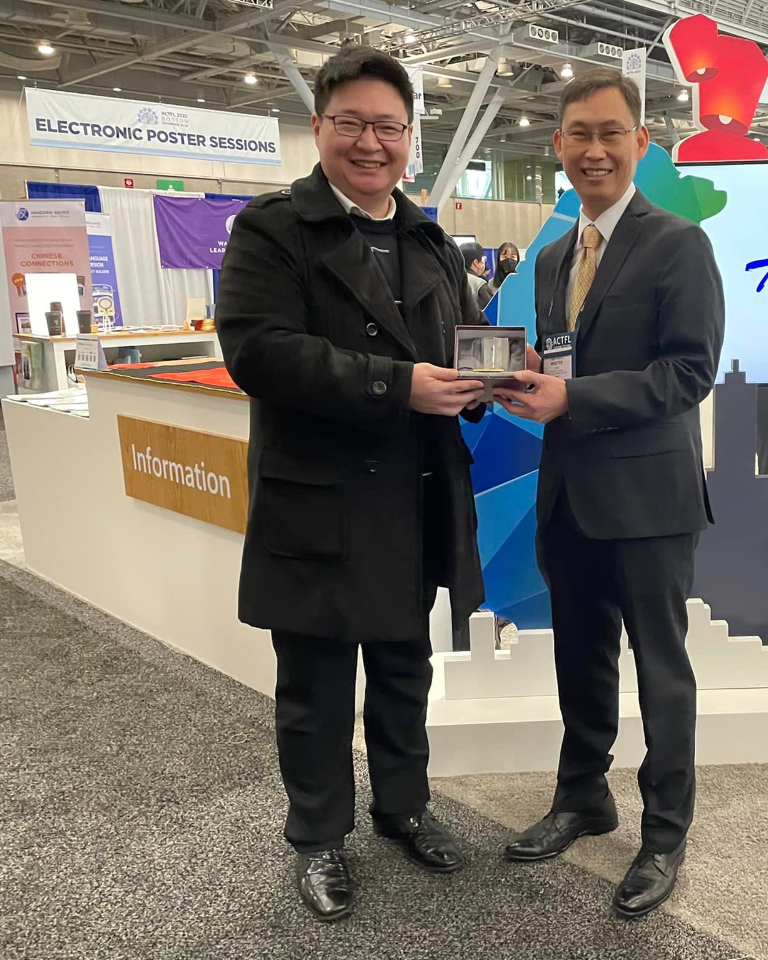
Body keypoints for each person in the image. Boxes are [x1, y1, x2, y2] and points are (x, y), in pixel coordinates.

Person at [215, 46, 488, 923]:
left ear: (410, 137)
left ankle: (403, 807)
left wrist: (489, 380)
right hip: (320, 499)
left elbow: (465, 339)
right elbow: (258, 351)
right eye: (352, 123)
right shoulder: (272, 229)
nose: (371, 143)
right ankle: (318, 836)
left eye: (388, 127)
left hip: (413, 493)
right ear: (318, 127)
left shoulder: (427, 237)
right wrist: (396, 385)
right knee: (317, 684)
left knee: (406, 668)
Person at [492, 69, 724, 919]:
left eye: (611, 133)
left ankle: (664, 832)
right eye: (579, 135)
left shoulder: (678, 244)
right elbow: (568, 358)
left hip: (651, 501)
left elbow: (689, 371)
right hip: (570, 493)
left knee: (661, 669)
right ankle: (583, 796)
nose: (595, 150)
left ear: (639, 142)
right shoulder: (557, 256)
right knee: (579, 656)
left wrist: (574, 397)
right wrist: (529, 376)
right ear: (558, 146)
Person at [477, 241, 519, 309]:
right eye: (504, 257)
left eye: (512, 257)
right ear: (499, 259)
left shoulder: (524, 282)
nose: (508, 260)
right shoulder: (491, 285)